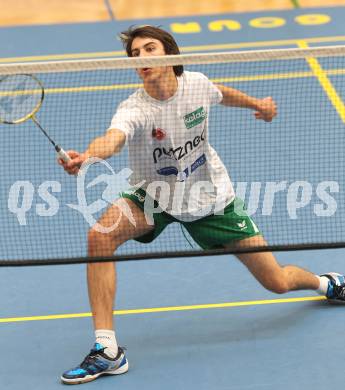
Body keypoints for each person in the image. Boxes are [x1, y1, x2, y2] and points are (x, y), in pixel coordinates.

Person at [59, 26, 345, 385]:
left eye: (150, 49)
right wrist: (87, 156)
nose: (142, 58)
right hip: (155, 197)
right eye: (135, 54)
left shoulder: (195, 84)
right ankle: (107, 350)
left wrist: (257, 104)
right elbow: (113, 139)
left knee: (277, 281)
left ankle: (326, 283)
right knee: (99, 237)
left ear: (172, 55)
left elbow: (219, 94)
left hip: (210, 201)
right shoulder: (134, 109)